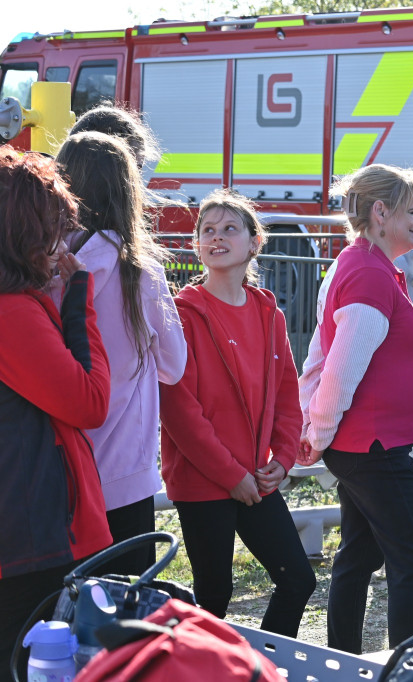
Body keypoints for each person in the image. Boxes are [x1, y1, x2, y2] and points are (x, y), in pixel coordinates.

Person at [159, 189, 315, 637]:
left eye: (230, 228)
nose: (217, 237)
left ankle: (258, 666)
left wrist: (282, 460)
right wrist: (231, 476)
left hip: (257, 478)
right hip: (205, 480)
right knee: (213, 594)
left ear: (254, 242)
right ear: (196, 245)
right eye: (207, 230)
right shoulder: (182, 314)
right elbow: (179, 409)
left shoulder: (269, 313)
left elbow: (288, 397)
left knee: (298, 579)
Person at [297, 165, 413, 654]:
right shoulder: (368, 273)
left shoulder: (369, 266)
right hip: (370, 446)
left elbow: (324, 351)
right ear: (381, 213)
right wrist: (315, 433)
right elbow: (339, 369)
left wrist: (315, 428)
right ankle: (405, 666)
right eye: (412, 213)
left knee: (359, 555)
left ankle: (343, 657)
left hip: (368, 443)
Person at [0, 149, 112, 682]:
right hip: (30, 541)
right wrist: (79, 303)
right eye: (52, 228)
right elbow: (90, 402)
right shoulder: (12, 312)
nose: (59, 242)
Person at [55, 132, 186, 577]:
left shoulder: (46, 265)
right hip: (126, 471)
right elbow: (174, 365)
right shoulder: (140, 270)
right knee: (124, 612)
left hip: (62, 467)